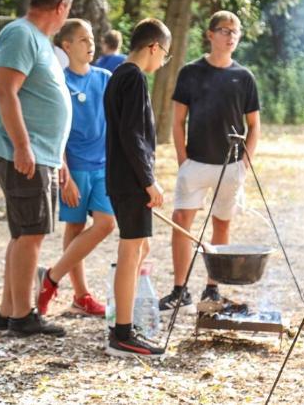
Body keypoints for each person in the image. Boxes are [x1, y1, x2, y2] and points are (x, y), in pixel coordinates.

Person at [158, 11, 261, 314]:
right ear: (210, 34)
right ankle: (180, 289)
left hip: (230, 165)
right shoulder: (191, 72)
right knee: (181, 223)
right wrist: (183, 160)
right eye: (224, 30)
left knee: (221, 225)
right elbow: (178, 121)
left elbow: (254, 125)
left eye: (235, 32)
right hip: (196, 163)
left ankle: (212, 288)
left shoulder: (244, 77)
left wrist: (245, 163)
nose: (231, 37)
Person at [0, 0, 73, 337]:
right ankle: (23, 316)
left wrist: (59, 158)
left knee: (23, 233)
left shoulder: (36, 39)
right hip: (25, 153)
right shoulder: (22, 35)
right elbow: (7, 92)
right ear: (61, 7)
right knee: (32, 234)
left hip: (42, 154)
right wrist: (23, 146)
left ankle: (9, 312)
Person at [35, 18, 115, 317]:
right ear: (66, 46)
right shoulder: (60, 81)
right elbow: (58, 133)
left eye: (91, 37)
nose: (90, 43)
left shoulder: (105, 77)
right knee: (76, 226)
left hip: (104, 167)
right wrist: (64, 175)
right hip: (75, 168)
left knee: (107, 224)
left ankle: (52, 277)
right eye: (82, 39)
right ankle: (81, 296)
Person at [103, 18, 171, 357]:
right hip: (130, 182)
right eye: (165, 55)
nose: (163, 63)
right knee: (130, 253)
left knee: (139, 249)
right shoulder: (132, 77)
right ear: (153, 47)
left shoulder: (119, 74)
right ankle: (123, 334)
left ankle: (127, 322)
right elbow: (132, 136)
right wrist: (149, 181)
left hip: (126, 179)